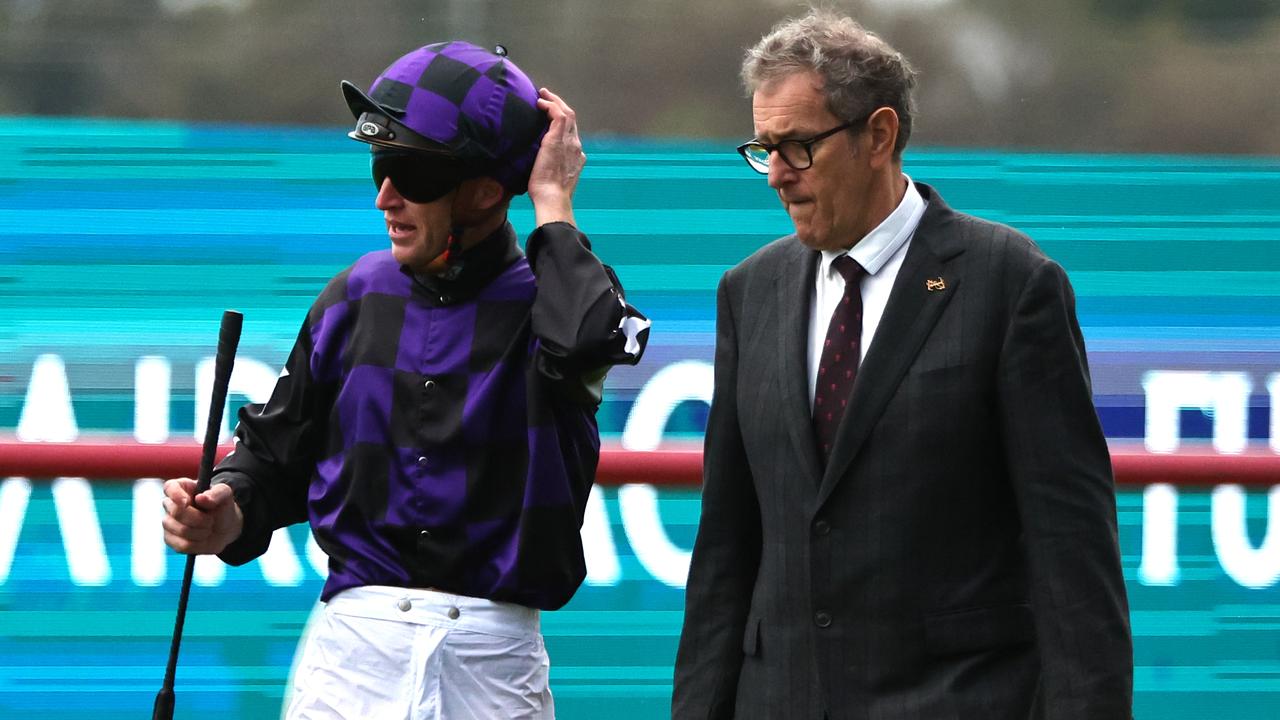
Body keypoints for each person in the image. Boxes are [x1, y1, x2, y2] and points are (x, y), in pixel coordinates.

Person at [160, 40, 648, 719]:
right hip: (348, 658)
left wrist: (553, 200)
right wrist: (226, 512)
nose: (386, 195)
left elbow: (588, 340)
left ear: (485, 190)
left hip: (493, 666)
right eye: (379, 166)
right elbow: (272, 460)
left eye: (411, 172)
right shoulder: (353, 295)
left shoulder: (556, 298)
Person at [673, 10, 1131, 720]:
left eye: (797, 148)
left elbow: (1072, 550)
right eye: (763, 150)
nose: (776, 177)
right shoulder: (748, 292)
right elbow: (725, 552)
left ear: (879, 135)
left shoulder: (1010, 282)